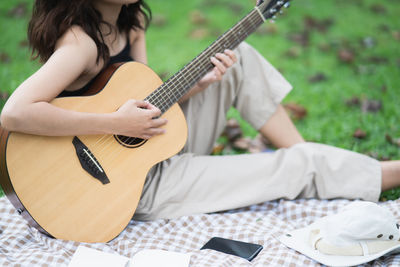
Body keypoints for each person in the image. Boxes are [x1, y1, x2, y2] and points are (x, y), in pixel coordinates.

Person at [1, 0, 399, 221]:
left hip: (148, 149)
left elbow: (146, 103)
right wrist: (115, 122)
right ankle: (368, 172)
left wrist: (195, 86)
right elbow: (15, 113)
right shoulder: (80, 43)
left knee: (237, 59)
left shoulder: (131, 22)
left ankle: (311, 157)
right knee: (293, 168)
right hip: (122, 188)